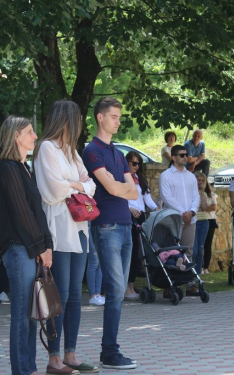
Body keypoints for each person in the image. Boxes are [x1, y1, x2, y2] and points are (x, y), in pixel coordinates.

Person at [34, 100, 98, 375]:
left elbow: (92, 187)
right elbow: (51, 191)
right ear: (67, 120)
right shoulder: (47, 148)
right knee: (57, 296)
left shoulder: (72, 152)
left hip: (79, 230)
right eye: (78, 119)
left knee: (74, 295)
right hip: (58, 231)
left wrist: (73, 186)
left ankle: (70, 353)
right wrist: (77, 187)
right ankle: (54, 358)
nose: (80, 125)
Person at [82, 97, 139, 370]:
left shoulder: (117, 153)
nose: (118, 120)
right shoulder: (92, 151)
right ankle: (109, 352)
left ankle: (110, 350)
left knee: (118, 291)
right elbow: (117, 190)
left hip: (125, 225)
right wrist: (120, 187)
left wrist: (120, 187)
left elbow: (134, 191)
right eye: (114, 116)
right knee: (115, 289)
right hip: (107, 227)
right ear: (101, 118)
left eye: (119, 116)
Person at [0, 115, 53, 375]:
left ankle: (29, 368)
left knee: (32, 315)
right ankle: (21, 370)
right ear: (15, 135)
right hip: (19, 249)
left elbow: (37, 212)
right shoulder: (7, 168)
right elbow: (21, 213)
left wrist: (47, 245)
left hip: (32, 248)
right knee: (21, 315)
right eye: (30, 131)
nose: (35, 136)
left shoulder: (24, 167)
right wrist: (41, 247)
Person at [159, 145, 199, 295]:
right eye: (182, 155)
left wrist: (192, 212)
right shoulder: (166, 176)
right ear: (174, 158)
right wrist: (183, 213)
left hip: (190, 220)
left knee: (188, 252)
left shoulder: (191, 176)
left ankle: (189, 283)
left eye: (186, 155)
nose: (185, 157)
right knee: (171, 253)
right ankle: (170, 285)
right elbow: (167, 198)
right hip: (173, 221)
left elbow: (196, 196)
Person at [125, 151, 158, 301]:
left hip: (141, 217)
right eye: (133, 163)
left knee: (138, 252)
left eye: (138, 163)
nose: (136, 166)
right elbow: (120, 197)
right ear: (127, 163)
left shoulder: (140, 179)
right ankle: (126, 287)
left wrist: (157, 209)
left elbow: (147, 198)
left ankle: (131, 285)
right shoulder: (123, 178)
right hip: (129, 216)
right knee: (130, 253)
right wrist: (129, 209)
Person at [192, 172, 211, 276]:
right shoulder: (190, 192)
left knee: (200, 248)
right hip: (194, 221)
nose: (200, 182)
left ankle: (198, 273)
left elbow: (204, 207)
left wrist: (203, 191)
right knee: (193, 250)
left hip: (203, 221)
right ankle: (191, 270)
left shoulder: (204, 194)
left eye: (202, 180)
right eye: (198, 180)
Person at [87, 223, 104, 306]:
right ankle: (92, 295)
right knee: (94, 261)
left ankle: (97, 294)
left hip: (96, 224)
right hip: (87, 224)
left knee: (100, 262)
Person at [202, 188, 218, 274]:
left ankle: (206, 267)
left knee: (207, 245)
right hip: (199, 219)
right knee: (199, 245)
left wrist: (204, 208)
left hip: (210, 220)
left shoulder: (211, 195)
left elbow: (214, 207)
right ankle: (200, 267)